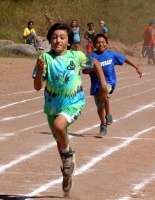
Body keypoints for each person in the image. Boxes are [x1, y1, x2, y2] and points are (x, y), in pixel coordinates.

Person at [32, 23, 108, 194]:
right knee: (60, 140)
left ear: (68, 41)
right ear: (50, 40)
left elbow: (94, 62)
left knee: (60, 127)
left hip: (74, 103)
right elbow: (37, 87)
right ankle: (67, 173)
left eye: (62, 37)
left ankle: (68, 157)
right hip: (52, 107)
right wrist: (38, 70)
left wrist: (103, 83)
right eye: (54, 37)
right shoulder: (44, 58)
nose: (57, 40)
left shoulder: (77, 56)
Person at [83, 34, 142, 137]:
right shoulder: (91, 56)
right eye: (98, 43)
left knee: (104, 89)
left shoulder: (111, 55)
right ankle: (103, 125)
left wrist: (136, 67)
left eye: (103, 42)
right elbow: (85, 71)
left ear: (107, 43)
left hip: (110, 82)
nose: (101, 44)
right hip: (96, 85)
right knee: (100, 107)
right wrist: (93, 68)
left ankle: (108, 114)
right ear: (94, 45)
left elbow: (125, 59)